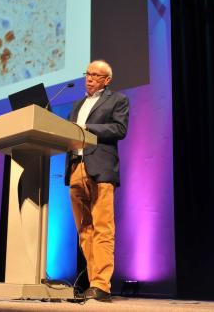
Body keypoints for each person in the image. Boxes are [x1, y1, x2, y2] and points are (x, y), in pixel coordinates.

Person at [65, 60, 129, 302]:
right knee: (84, 231)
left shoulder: (118, 100)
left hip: (100, 168)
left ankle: (102, 285)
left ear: (107, 80)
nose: (89, 78)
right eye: (87, 73)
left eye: (95, 75)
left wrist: (84, 128)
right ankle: (93, 283)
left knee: (103, 228)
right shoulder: (77, 104)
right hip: (76, 167)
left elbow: (119, 129)